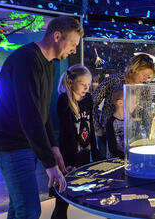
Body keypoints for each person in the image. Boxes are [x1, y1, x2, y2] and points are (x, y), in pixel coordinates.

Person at [0, 16, 83, 219]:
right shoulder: (26, 60)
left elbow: (42, 111)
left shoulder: (49, 64)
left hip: (24, 142)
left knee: (19, 206)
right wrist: (50, 164)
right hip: (9, 142)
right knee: (29, 210)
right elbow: (29, 115)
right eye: (72, 44)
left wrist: (53, 148)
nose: (74, 50)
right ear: (57, 36)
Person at [51, 64, 100, 219]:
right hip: (68, 155)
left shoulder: (89, 99)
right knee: (62, 199)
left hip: (85, 153)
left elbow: (90, 126)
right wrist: (71, 159)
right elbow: (67, 133)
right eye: (82, 84)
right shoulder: (64, 100)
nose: (86, 88)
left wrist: (95, 153)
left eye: (88, 84)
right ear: (71, 82)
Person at [92, 54, 155, 159]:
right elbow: (92, 102)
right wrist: (97, 127)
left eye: (148, 76)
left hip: (133, 138)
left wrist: (151, 135)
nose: (145, 79)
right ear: (134, 69)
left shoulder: (145, 89)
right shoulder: (113, 80)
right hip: (108, 134)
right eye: (143, 74)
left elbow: (146, 113)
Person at [106, 88, 125, 159]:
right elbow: (112, 149)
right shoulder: (111, 122)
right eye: (132, 101)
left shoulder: (132, 120)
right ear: (120, 103)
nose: (135, 104)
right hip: (114, 161)